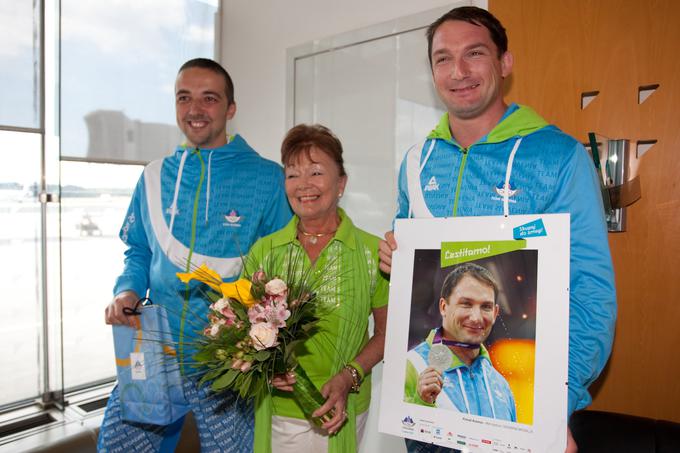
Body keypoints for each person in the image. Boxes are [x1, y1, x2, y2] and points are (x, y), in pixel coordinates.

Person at [378, 6, 616, 453]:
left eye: (475, 54)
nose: (459, 71)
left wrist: (551, 408)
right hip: (427, 422)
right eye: (443, 59)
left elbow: (591, 294)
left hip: (514, 421)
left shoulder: (558, 157)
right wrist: (394, 258)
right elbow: (408, 269)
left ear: (504, 63)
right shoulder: (417, 161)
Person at [99, 58, 292, 452]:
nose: (195, 109)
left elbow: (284, 272)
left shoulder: (267, 178)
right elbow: (137, 249)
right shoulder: (154, 176)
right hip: (153, 349)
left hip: (227, 361)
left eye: (209, 98)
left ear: (230, 109)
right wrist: (127, 291)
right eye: (184, 98)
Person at [244, 124, 389, 453]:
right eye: (292, 174)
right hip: (282, 410)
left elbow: (386, 333)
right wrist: (267, 371)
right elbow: (246, 333)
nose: (303, 185)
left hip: (346, 406)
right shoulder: (264, 252)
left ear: (341, 183)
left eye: (316, 172)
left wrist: (349, 377)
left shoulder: (371, 252)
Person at [404, 263, 516, 421]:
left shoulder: (501, 386)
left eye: (486, 307)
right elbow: (397, 441)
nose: (476, 318)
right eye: (466, 304)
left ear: (496, 313)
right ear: (443, 307)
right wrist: (422, 404)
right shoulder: (411, 365)